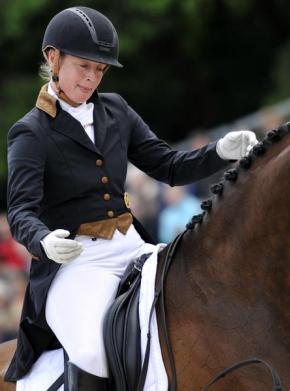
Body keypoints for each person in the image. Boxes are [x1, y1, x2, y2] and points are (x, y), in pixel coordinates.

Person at [5, 6, 257, 389]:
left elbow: (168, 165)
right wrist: (43, 240)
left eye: (99, 70)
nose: (91, 79)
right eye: (82, 67)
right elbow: (22, 209)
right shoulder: (30, 132)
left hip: (133, 247)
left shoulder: (116, 111)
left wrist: (219, 152)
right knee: (91, 352)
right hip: (75, 264)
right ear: (52, 57)